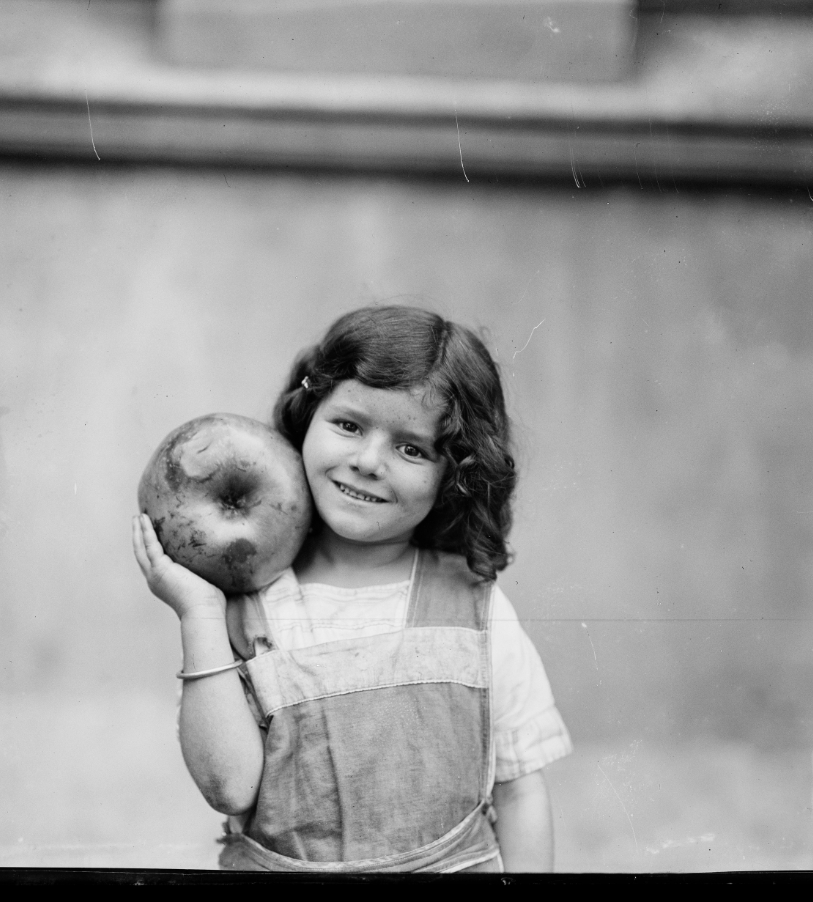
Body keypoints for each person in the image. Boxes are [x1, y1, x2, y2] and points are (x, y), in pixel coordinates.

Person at [131, 305, 572, 873]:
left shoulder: (474, 608)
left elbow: (519, 791)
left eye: (411, 448)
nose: (367, 461)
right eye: (349, 425)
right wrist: (198, 614)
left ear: (454, 475)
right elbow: (230, 788)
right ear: (308, 417)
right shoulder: (244, 608)